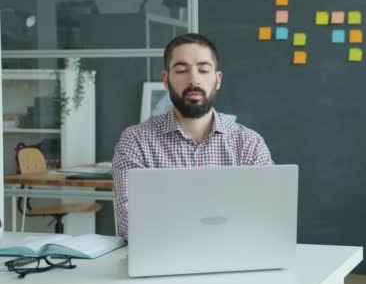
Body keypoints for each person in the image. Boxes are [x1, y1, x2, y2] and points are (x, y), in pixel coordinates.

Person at [112, 33, 273, 239]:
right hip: (161, 259)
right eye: (181, 70)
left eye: (204, 70)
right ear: (166, 80)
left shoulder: (249, 143)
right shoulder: (136, 141)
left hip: (233, 257)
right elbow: (129, 222)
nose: (193, 79)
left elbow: (265, 216)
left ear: (217, 79)